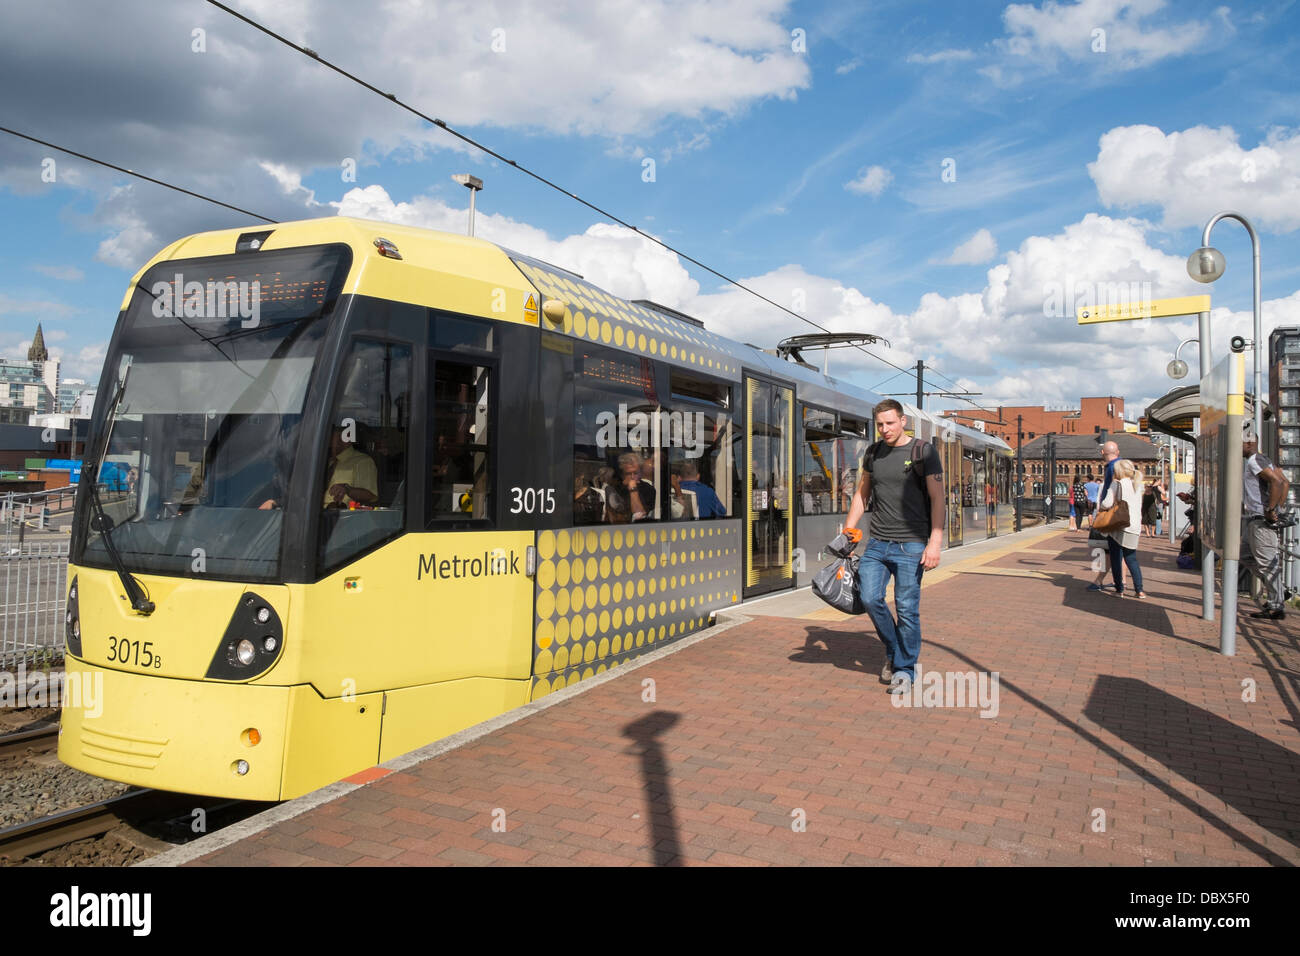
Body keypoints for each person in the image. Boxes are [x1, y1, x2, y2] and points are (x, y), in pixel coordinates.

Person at [843, 399, 944, 696]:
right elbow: (862, 494)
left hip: (912, 545)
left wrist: (934, 543)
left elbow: (938, 498)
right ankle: (895, 649)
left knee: (907, 610)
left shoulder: (922, 451)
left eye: (890, 423)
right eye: (880, 425)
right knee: (871, 598)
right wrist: (849, 532)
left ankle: (904, 670)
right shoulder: (874, 453)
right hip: (877, 543)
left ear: (902, 421)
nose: (885, 429)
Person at [1241, 428, 1291, 620]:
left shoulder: (1255, 461)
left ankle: (1276, 605)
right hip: (1256, 519)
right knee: (1245, 555)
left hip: (1260, 519)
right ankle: (1280, 590)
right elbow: (1284, 482)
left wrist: (1271, 511)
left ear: (1248, 443)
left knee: (1266, 562)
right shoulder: (1264, 459)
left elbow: (1278, 482)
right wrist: (1278, 507)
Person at [1095, 458, 1145, 598]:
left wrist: (1104, 507)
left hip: (1119, 525)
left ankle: (1119, 589)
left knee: (1116, 558)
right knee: (1131, 558)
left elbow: (1106, 503)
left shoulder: (1116, 484)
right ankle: (1139, 590)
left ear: (1118, 471)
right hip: (1134, 526)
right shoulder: (1138, 485)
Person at [323, 425, 378, 508]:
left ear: (346, 437)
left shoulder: (362, 461)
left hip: (344, 517)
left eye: (331, 435)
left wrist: (347, 489)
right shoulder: (326, 462)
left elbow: (370, 496)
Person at [605, 452, 656, 523]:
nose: (632, 477)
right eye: (628, 474)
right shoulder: (614, 489)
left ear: (640, 473)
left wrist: (633, 490)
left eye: (635, 473)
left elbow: (640, 518)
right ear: (622, 474)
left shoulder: (648, 490)